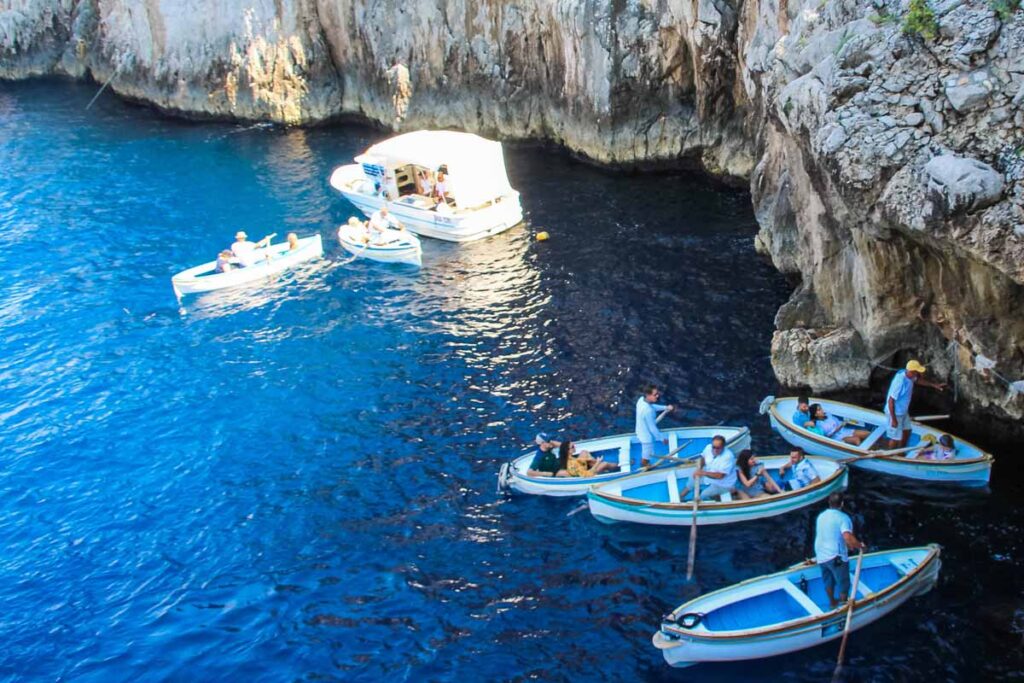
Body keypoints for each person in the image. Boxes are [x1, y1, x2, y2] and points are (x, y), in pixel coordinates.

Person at [814, 492, 866, 609]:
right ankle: (843, 606)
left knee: (828, 579)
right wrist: (860, 546)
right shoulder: (843, 518)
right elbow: (847, 537)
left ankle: (832, 602)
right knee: (843, 583)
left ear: (829, 503)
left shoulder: (821, 516)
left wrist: (849, 546)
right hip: (835, 555)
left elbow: (832, 534)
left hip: (820, 554)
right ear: (842, 504)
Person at [883, 360, 946, 449]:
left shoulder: (908, 374)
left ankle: (901, 450)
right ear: (912, 372)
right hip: (895, 413)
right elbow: (890, 401)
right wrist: (893, 419)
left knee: (907, 430)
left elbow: (918, 380)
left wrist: (934, 385)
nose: (919, 374)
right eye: (917, 372)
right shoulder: (900, 382)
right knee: (895, 437)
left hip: (903, 411)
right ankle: (889, 454)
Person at [678, 435, 737, 502]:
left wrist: (703, 473)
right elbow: (703, 458)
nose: (715, 450)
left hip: (723, 484)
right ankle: (681, 496)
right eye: (713, 447)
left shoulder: (728, 457)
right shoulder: (708, 448)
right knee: (692, 479)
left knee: (704, 494)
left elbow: (720, 476)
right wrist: (699, 469)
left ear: (723, 447)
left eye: (718, 448)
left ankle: (712, 498)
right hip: (710, 473)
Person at [634, 384, 675, 469]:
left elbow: (652, 407)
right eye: (655, 394)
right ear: (648, 395)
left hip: (640, 430)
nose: (657, 395)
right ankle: (644, 466)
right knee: (647, 456)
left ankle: (645, 464)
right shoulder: (647, 411)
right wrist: (662, 438)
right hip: (646, 437)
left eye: (657, 393)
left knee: (647, 453)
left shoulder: (641, 400)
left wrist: (665, 407)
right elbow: (652, 428)